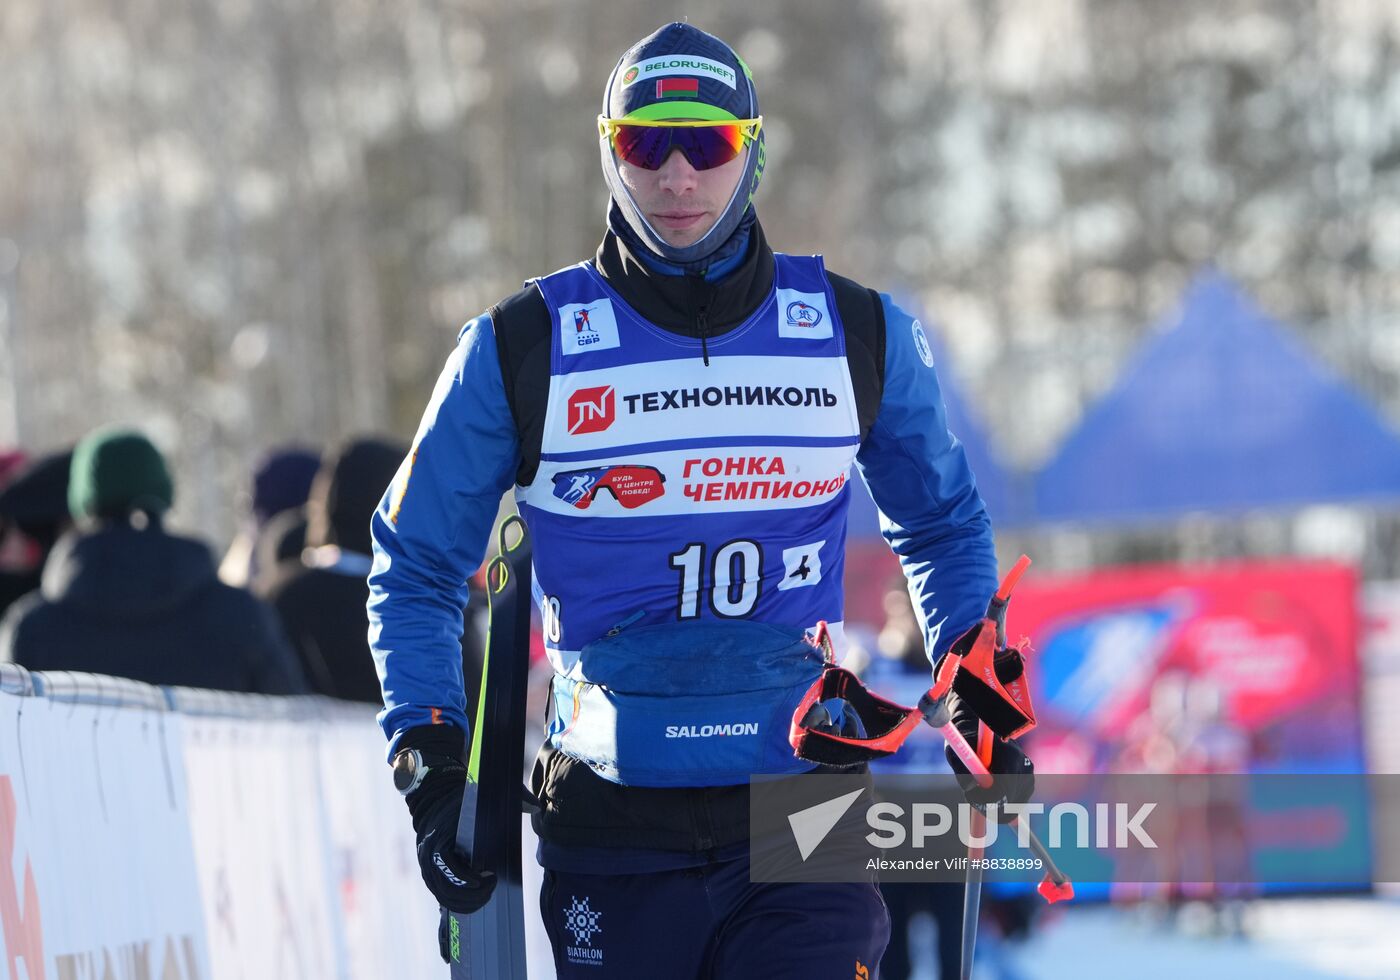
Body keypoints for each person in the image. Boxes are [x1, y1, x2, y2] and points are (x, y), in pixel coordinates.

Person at [369, 23, 1032, 978]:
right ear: (610, 152)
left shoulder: (854, 331)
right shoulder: (522, 346)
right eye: (646, 143)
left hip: (804, 808)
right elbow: (417, 566)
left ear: (751, 153)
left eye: (708, 143)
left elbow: (941, 520)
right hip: (611, 818)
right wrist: (432, 762)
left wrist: (979, 681)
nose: (677, 176)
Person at [0, 426, 308, 695]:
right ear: (164, 492)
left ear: (82, 503)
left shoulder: (33, 630)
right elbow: (291, 725)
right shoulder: (241, 617)